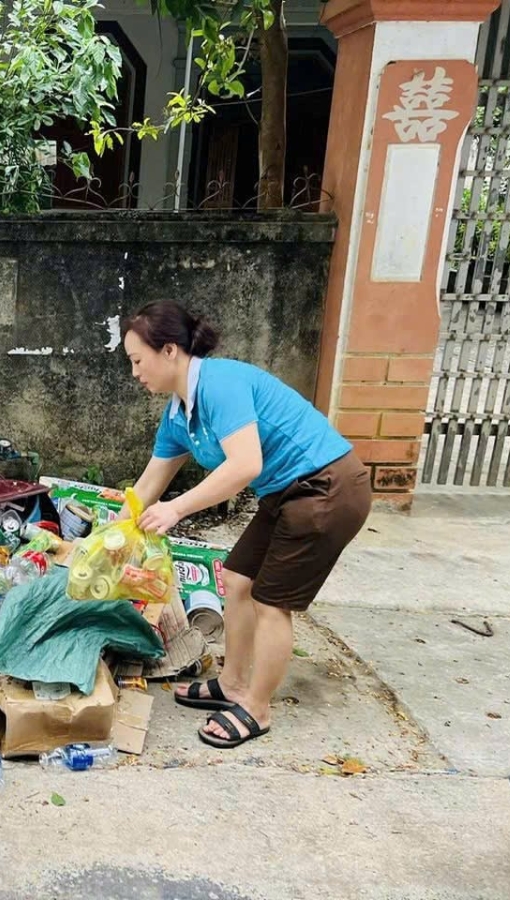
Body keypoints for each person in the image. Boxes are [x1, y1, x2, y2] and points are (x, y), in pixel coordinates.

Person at [124, 301, 370, 748]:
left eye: (138, 360)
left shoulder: (220, 384)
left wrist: (176, 510)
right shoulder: (178, 414)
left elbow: (245, 465)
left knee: (270, 602)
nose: (135, 372)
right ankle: (233, 684)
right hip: (286, 492)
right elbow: (148, 485)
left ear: (170, 351)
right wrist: (106, 538)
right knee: (237, 578)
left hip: (327, 487)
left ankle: (257, 708)